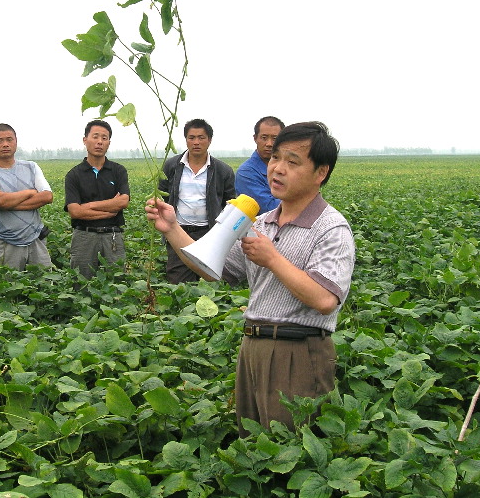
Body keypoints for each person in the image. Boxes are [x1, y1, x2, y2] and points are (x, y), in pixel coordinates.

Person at [146, 121, 354, 434]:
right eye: (275, 158)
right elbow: (213, 269)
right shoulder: (261, 223)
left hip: (298, 351)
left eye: (292, 162)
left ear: (320, 173)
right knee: (252, 441)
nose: (278, 169)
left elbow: (325, 299)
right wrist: (172, 229)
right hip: (253, 347)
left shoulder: (331, 228)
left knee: (290, 444)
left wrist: (272, 259)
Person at [157, 118, 236, 283]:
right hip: (179, 231)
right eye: (191, 137)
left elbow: (229, 204)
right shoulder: (171, 166)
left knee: (209, 280)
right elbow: (163, 196)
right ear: (186, 140)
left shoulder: (223, 170)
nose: (196, 142)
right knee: (178, 281)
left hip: (208, 233)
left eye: (201, 137)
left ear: (209, 140)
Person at [0, 124, 54, 269]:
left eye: (9, 139)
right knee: (5, 282)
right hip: (4, 243)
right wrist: (29, 192)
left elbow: (47, 196)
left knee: (44, 280)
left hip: (35, 240)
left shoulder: (31, 167)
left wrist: (8, 203)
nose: (5, 144)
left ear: (16, 141)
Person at [64, 120, 130, 278]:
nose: (100, 142)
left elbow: (123, 201)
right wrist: (110, 209)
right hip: (84, 237)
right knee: (81, 282)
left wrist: (88, 206)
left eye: (104, 138)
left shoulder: (118, 171)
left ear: (109, 143)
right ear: (85, 140)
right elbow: (75, 212)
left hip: (112, 236)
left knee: (117, 283)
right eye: (95, 136)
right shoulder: (74, 175)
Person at [235, 116, 285, 215]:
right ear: (255, 138)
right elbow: (268, 208)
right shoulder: (246, 172)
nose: (269, 144)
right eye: (264, 138)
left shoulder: (287, 168)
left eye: (275, 139)